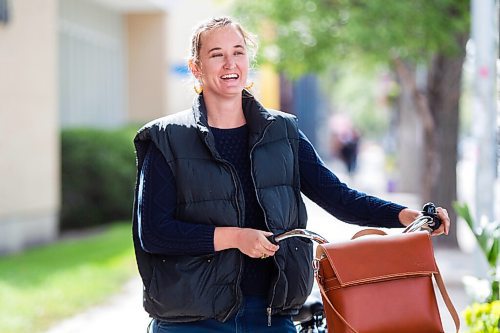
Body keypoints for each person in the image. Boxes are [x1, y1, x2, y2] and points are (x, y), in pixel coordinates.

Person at [131, 16, 451, 333]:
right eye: (217, 54)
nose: (231, 63)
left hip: (271, 314)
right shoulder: (167, 137)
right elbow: (155, 233)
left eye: (238, 52)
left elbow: (337, 197)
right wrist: (236, 237)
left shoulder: (282, 131)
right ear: (196, 67)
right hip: (192, 319)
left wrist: (405, 215)